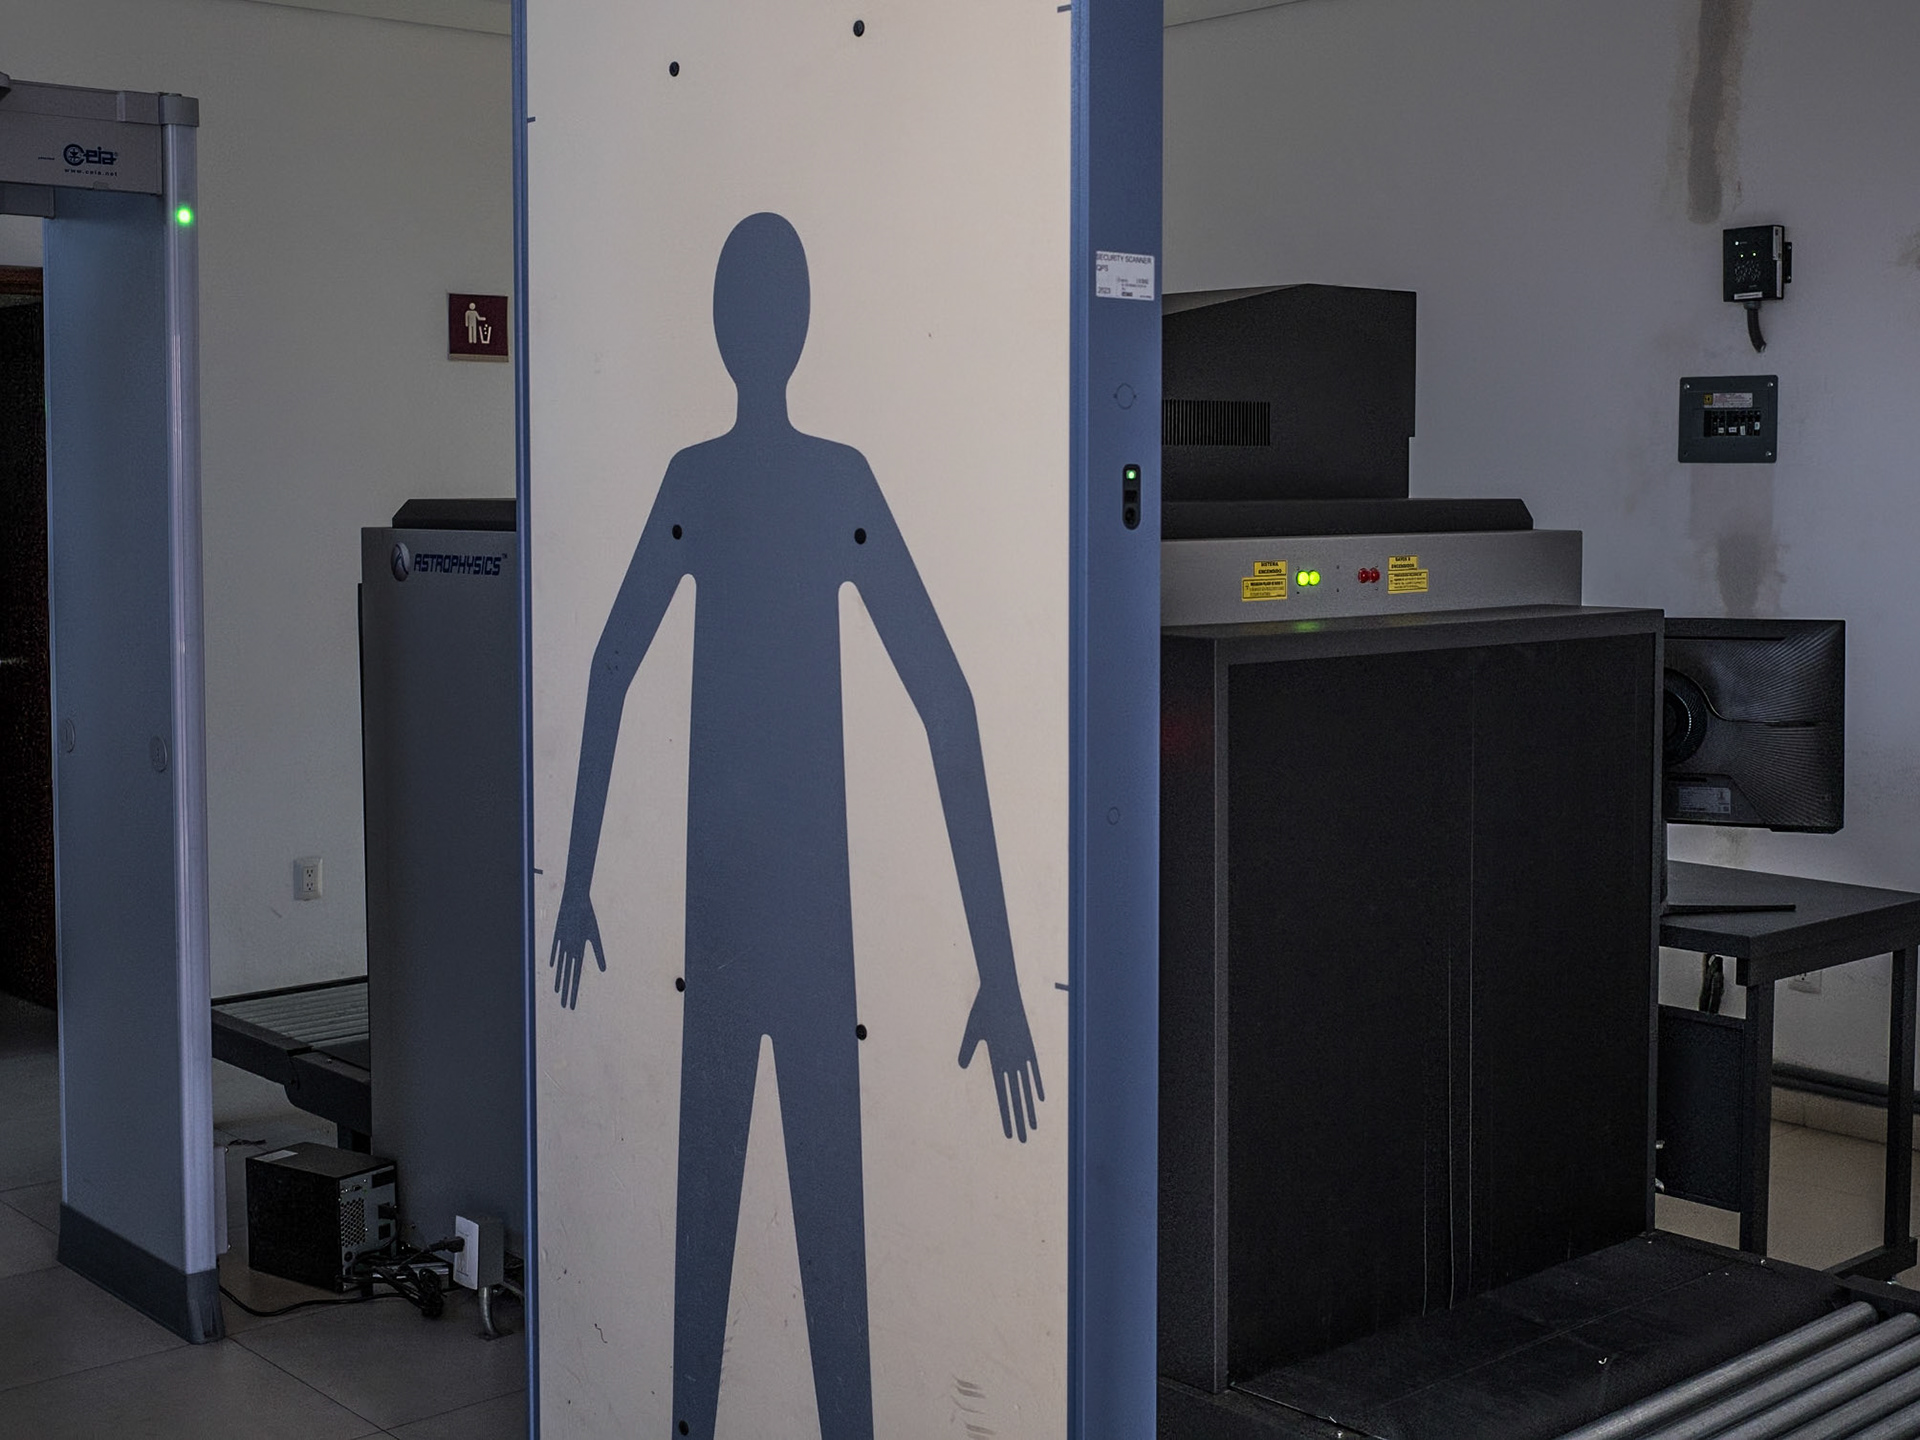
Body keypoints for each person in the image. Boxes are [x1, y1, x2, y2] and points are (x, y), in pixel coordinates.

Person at [548, 211, 1042, 1440]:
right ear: (801, 326)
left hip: (724, 918)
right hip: (813, 933)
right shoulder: (835, 484)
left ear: (726, 329)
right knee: (836, 1276)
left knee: (701, 1261)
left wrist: (577, 878)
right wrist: (997, 966)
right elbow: (948, 702)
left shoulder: (698, 483)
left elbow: (609, 670)